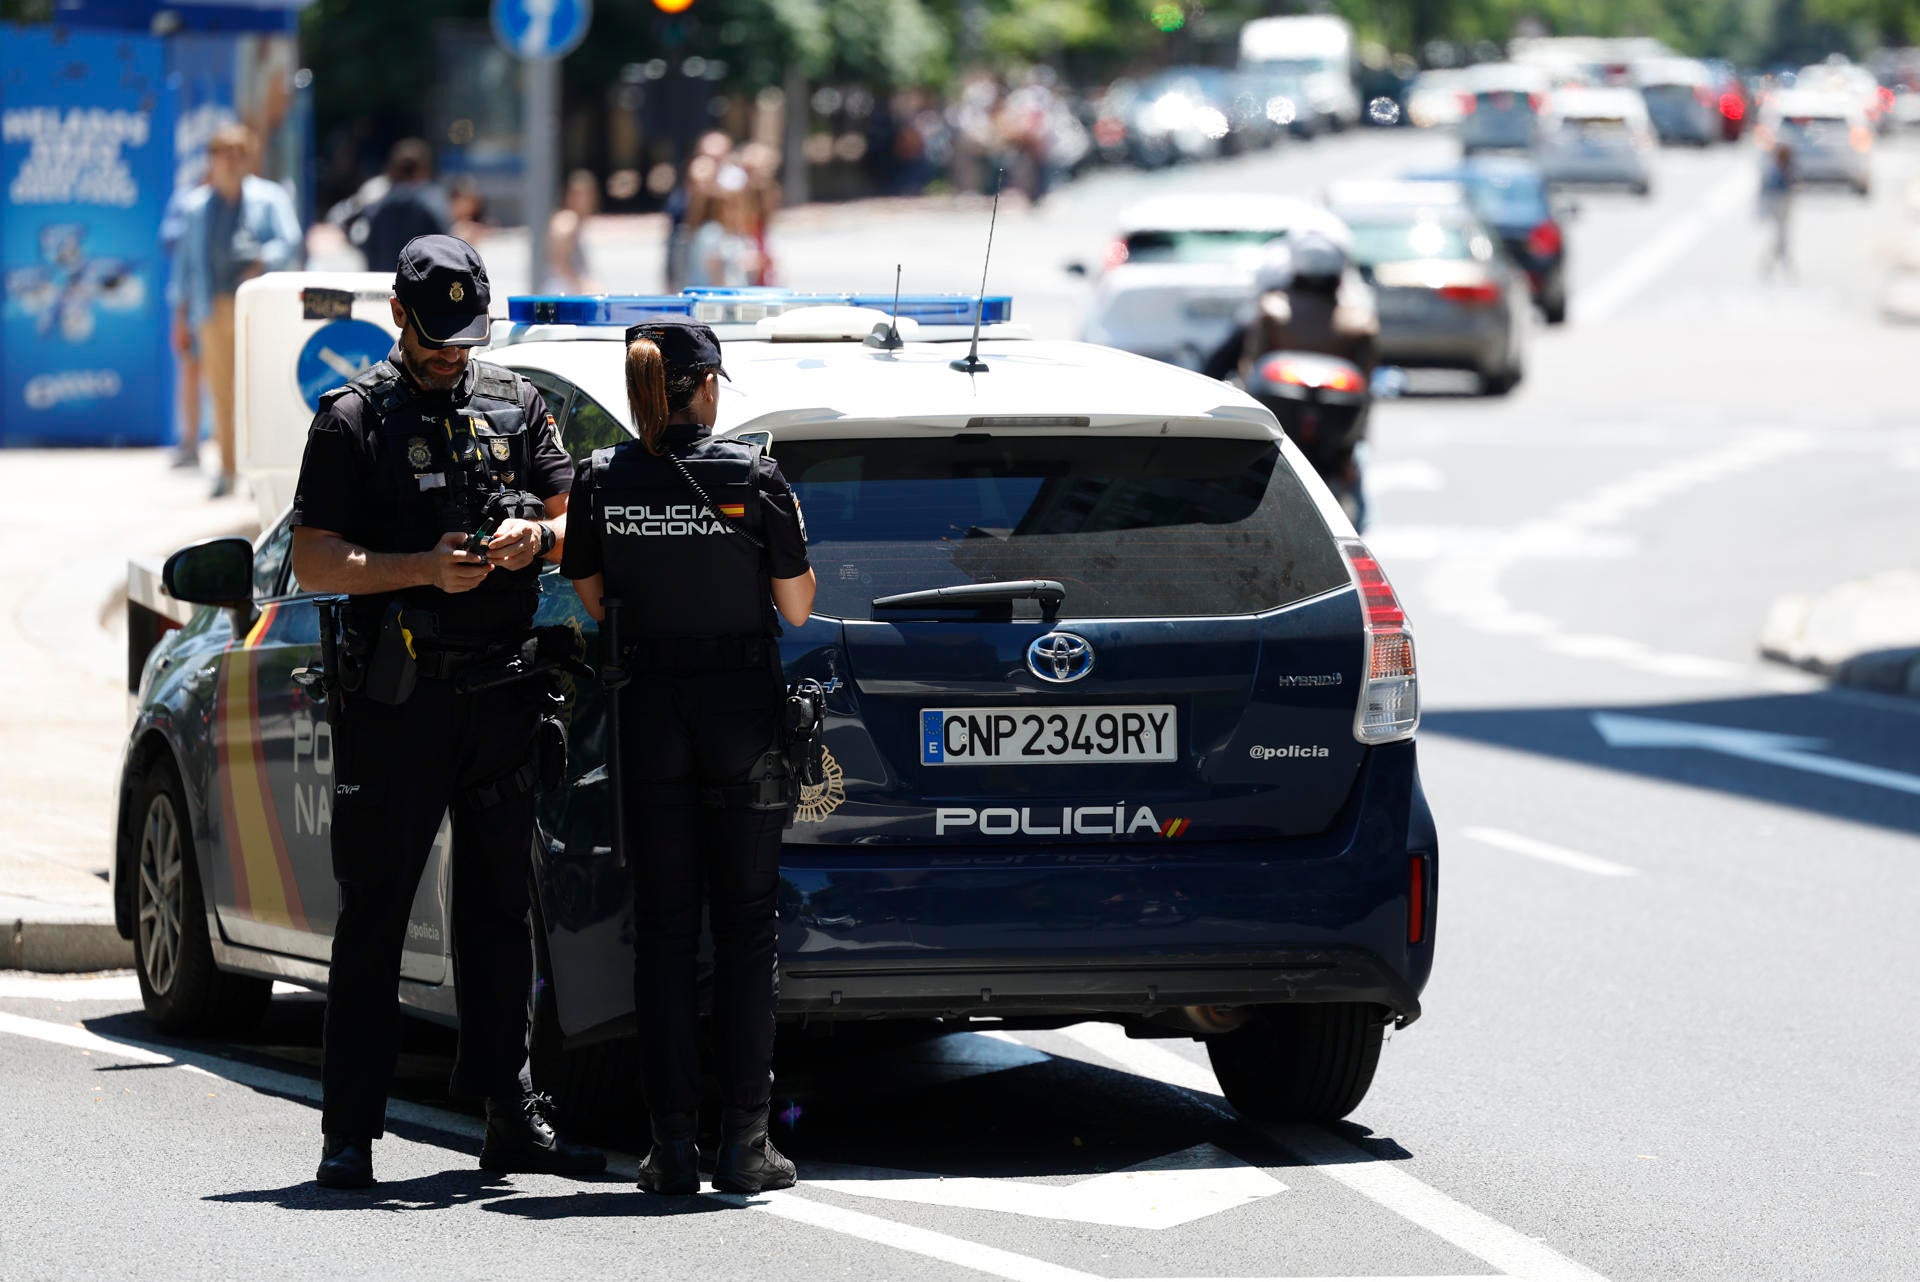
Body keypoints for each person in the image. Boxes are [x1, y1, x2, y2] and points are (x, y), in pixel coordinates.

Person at [289, 234, 604, 1190]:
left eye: (466, 336)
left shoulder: (518, 402)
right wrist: (422, 569)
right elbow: (313, 560)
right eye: (436, 337)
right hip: (399, 701)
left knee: (499, 914)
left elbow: (570, 518)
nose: (452, 354)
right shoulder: (352, 420)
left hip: (504, 691)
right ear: (398, 317)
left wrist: (529, 540)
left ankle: (510, 1115)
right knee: (375, 914)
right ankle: (351, 1133)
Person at [561, 320, 816, 1196]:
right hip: (740, 714)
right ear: (705, 386)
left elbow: (591, 595)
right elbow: (798, 609)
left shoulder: (601, 479)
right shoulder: (754, 476)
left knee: (665, 933)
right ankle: (746, 1142)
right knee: (746, 929)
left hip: (649, 714)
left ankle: (670, 1148)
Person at [166, 123, 302, 497]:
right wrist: (180, 316)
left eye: (237, 154)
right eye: (223, 154)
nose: (230, 162)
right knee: (222, 391)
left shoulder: (268, 197)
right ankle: (227, 470)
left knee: (259, 388)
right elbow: (185, 268)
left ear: (247, 158)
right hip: (213, 306)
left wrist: (262, 258)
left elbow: (289, 239)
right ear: (212, 159)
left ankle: (260, 475)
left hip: (257, 305)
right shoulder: (196, 207)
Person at [356, 138, 450, 274]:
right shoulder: (433, 203)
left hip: (384, 286)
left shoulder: (376, 208)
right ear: (423, 169)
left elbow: (366, 246)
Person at [546, 169, 600, 293]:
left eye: (588, 195)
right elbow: (559, 262)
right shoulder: (567, 221)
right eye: (580, 195)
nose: (585, 200)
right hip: (564, 290)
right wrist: (581, 284)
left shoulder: (578, 221)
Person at [1760, 142, 1794, 280]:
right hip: (1778, 205)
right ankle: (1778, 264)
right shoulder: (1775, 171)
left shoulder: (1787, 170)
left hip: (1784, 204)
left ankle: (1780, 263)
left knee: (1781, 236)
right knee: (1780, 237)